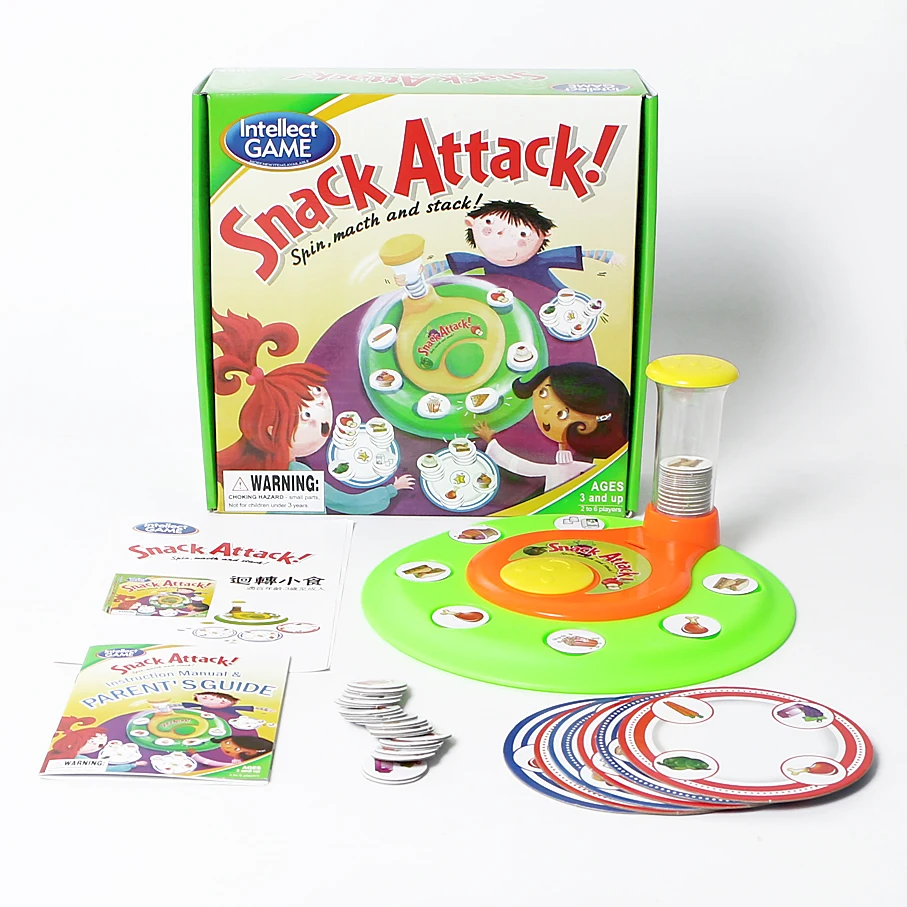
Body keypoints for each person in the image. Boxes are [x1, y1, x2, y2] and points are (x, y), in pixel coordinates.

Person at [213, 310, 414, 514]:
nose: (323, 413)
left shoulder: (279, 470)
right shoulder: (297, 474)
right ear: (272, 431)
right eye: (306, 416)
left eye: (317, 391)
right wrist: (391, 490)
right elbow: (347, 503)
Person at [474, 363, 629, 492]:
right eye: (543, 392)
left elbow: (519, 466)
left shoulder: (579, 468)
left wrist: (491, 441)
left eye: (562, 414)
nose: (546, 408)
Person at [416, 200, 623, 292]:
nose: (503, 240)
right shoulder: (478, 261)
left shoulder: (541, 260)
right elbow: (444, 265)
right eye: (489, 228)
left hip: (551, 301)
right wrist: (415, 275)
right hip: (503, 304)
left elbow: (583, 253)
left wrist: (610, 257)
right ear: (471, 223)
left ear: (544, 235)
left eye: (522, 234)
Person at [187, 735, 273, 767]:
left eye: (237, 749)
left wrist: (195, 755)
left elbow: (210, 762)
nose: (227, 747)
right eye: (227, 742)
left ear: (249, 753)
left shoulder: (237, 764)